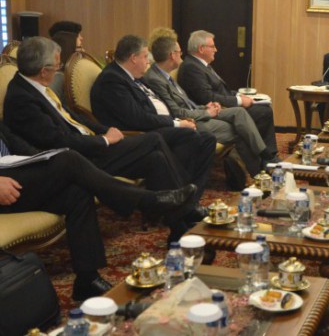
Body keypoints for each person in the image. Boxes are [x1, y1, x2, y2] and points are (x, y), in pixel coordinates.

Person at [0, 121, 197, 301]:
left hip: (14, 175)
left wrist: (41, 160)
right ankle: (148, 201)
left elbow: (19, 146)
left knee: (77, 192)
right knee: (69, 159)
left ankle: (87, 279)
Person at [3, 37, 187, 195]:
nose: (58, 69)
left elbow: (75, 118)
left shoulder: (38, 86)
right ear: (43, 71)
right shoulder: (22, 98)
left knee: (156, 159)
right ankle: (185, 198)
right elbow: (57, 139)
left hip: (91, 143)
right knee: (154, 139)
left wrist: (106, 130)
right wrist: (104, 140)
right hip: (83, 156)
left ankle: (176, 213)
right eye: (57, 65)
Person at [89, 35, 216, 201]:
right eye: (144, 56)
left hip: (156, 125)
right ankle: (183, 196)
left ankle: (192, 196)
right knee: (188, 136)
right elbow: (137, 118)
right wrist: (176, 123)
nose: (148, 61)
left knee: (207, 139)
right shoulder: (112, 80)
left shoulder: (134, 76)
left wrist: (179, 120)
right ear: (133, 58)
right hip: (137, 133)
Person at [144, 34, 273, 177]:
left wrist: (206, 108)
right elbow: (177, 112)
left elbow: (186, 102)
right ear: (172, 55)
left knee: (239, 113)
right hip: (189, 121)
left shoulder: (165, 75)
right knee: (241, 130)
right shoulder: (156, 79)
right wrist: (206, 113)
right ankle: (259, 170)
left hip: (197, 111)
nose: (181, 55)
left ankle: (263, 159)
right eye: (179, 52)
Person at [177, 30, 279, 161]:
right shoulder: (191, 67)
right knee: (263, 113)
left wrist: (240, 95)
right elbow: (207, 97)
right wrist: (239, 101)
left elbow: (221, 90)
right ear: (201, 49)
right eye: (212, 46)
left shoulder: (202, 65)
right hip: (212, 109)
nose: (216, 50)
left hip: (223, 105)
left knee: (263, 109)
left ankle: (262, 156)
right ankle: (260, 157)